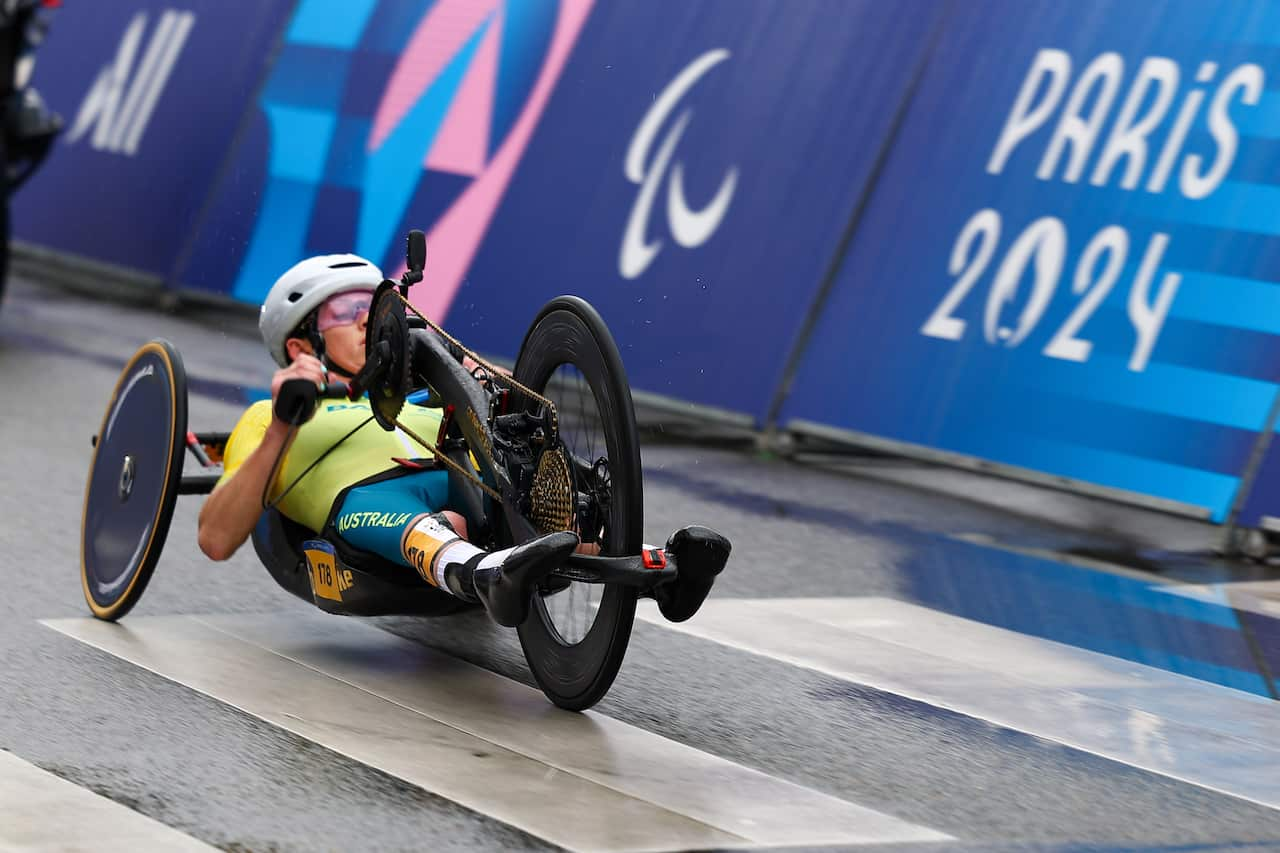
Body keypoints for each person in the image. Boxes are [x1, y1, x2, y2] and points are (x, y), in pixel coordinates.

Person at [196, 253, 581, 627]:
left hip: (472, 487)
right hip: (374, 510)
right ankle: (476, 570)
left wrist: (479, 378)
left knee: (525, 472)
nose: (367, 320)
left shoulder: (427, 392)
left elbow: (514, 403)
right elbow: (216, 539)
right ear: (302, 346)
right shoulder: (269, 415)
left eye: (373, 306)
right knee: (377, 503)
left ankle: (612, 548)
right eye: (345, 311)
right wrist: (284, 423)